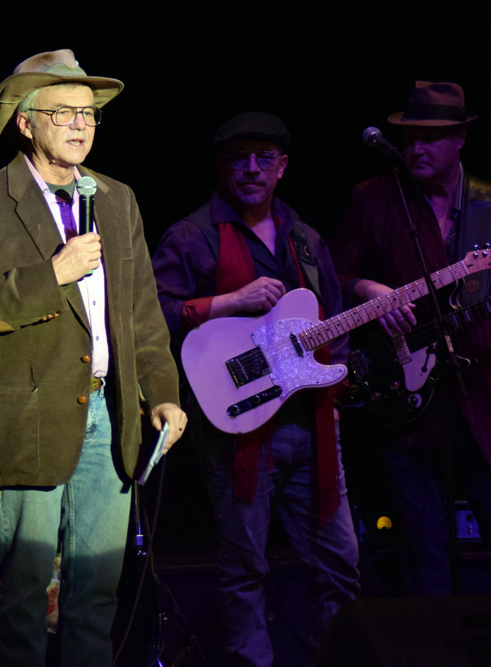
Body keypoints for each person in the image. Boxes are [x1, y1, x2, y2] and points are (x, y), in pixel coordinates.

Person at [0, 49, 186, 666]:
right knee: (23, 599)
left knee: (96, 596)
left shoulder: (117, 198)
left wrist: (163, 394)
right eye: (65, 112)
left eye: (90, 114)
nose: (81, 124)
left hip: (113, 415)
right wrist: (53, 273)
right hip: (29, 415)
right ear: (27, 123)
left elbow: (143, 314)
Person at [152, 112, 360, 666]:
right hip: (236, 428)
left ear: (282, 167)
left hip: (309, 424)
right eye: (238, 158)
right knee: (245, 569)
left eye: (263, 158)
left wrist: (332, 383)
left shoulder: (307, 240)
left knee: (339, 564)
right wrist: (229, 302)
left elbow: (332, 321)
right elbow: (150, 317)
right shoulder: (193, 235)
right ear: (221, 167)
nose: (250, 169)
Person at [331, 81, 491, 595]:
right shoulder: (371, 200)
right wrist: (371, 293)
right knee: (420, 554)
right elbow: (332, 277)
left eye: (430, 138)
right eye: (408, 138)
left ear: (460, 141)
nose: (416, 150)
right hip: (402, 399)